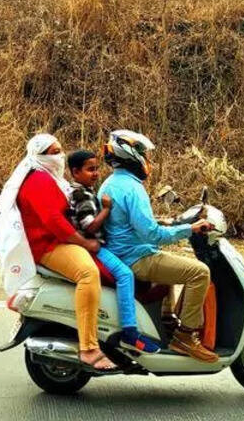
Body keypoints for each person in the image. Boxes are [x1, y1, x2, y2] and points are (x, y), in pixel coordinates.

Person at [0, 133, 117, 371]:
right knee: (88, 273)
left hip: (59, 241)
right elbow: (54, 222)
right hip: (49, 246)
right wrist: (84, 242)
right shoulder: (38, 180)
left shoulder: (49, 177)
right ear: (39, 156)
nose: (59, 156)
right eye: (53, 152)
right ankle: (89, 348)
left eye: (60, 150)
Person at [98, 129, 220, 363]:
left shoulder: (111, 184)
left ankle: (167, 320)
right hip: (135, 258)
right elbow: (152, 235)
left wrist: (166, 221)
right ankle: (185, 335)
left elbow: (126, 223)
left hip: (121, 253)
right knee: (199, 272)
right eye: (144, 154)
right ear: (133, 155)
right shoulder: (133, 189)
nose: (148, 160)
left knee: (169, 265)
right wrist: (189, 229)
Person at [66, 149, 161, 354]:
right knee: (125, 274)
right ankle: (129, 331)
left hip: (96, 245)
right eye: (90, 170)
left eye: (97, 168)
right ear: (75, 172)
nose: (96, 173)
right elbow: (90, 226)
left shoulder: (87, 190)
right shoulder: (80, 193)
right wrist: (107, 210)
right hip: (93, 247)